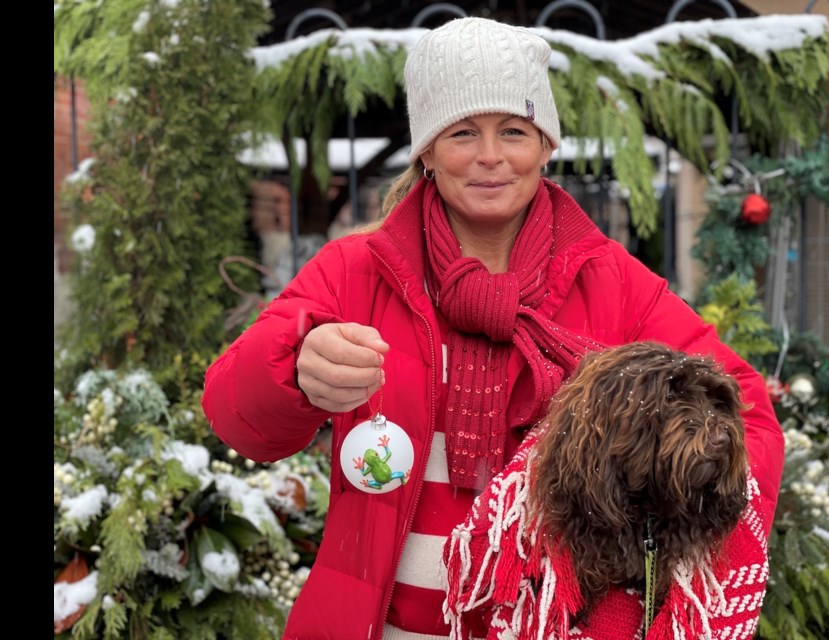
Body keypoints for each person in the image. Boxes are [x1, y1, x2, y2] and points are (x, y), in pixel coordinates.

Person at [201, 16, 784, 640]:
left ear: (545, 145)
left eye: (513, 130)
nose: (490, 156)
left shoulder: (612, 282)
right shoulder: (356, 271)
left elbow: (743, 419)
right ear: (426, 148)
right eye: (461, 132)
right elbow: (236, 413)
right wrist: (294, 366)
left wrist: (659, 516)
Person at [443, 341, 772, 640]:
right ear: (617, 437)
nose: (717, 434)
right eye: (675, 404)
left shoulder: (710, 539)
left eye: (715, 405)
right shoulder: (530, 522)